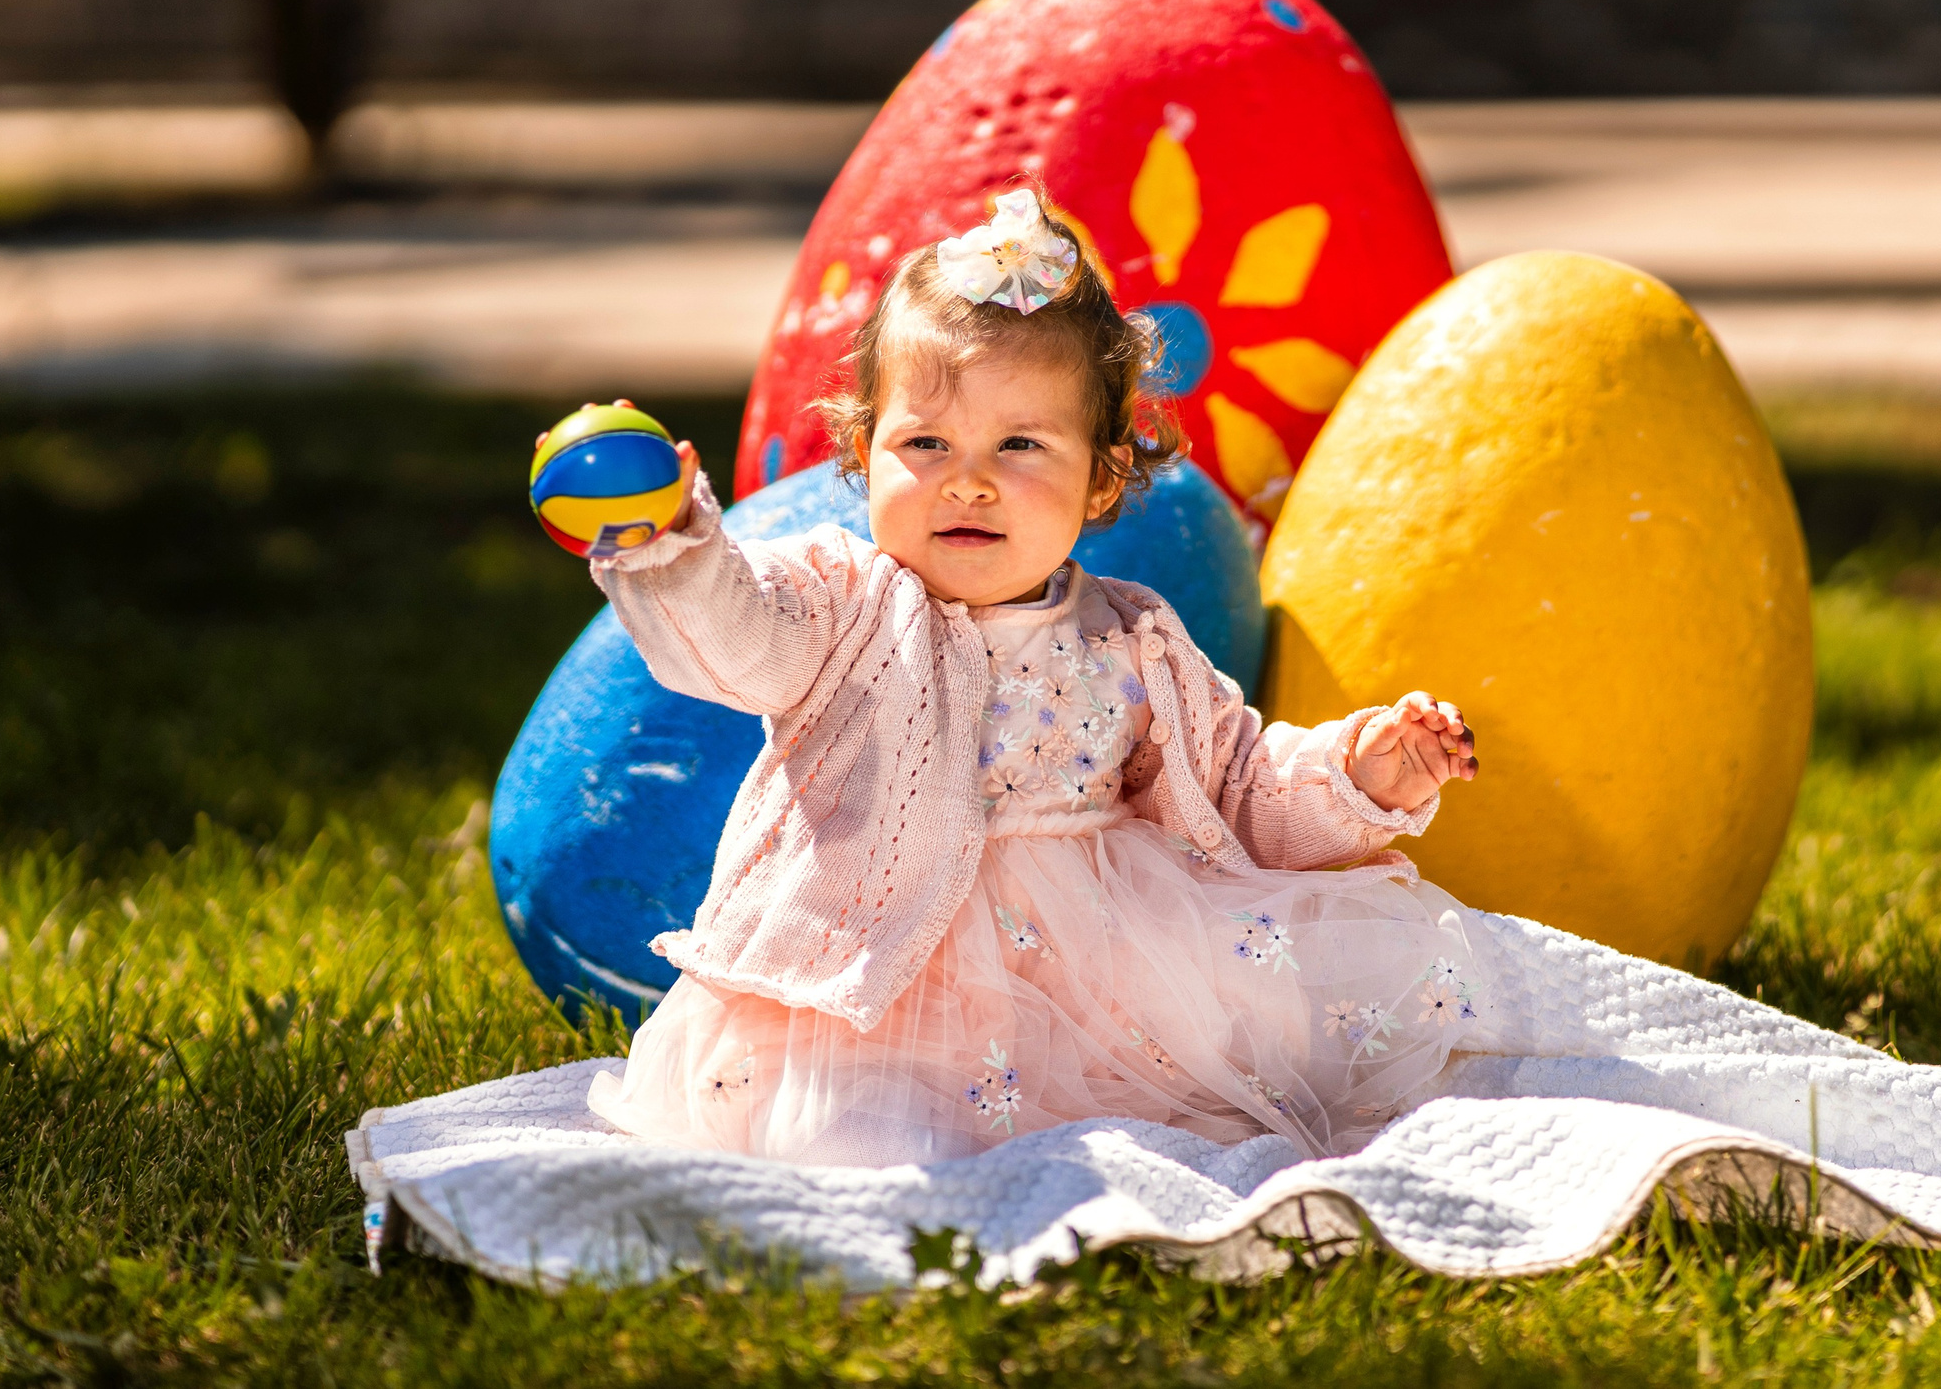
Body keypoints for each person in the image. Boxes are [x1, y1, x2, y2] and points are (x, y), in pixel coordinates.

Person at [584, 188, 1485, 1166]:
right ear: (862, 452)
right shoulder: (840, 601)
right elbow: (734, 639)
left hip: (1094, 980)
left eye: (1019, 444)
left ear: (1101, 479)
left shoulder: (1129, 635)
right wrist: (677, 556)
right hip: (877, 984)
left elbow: (1240, 785)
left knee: (1210, 1097)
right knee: (866, 1146)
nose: (966, 478)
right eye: (924, 443)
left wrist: (1359, 772)